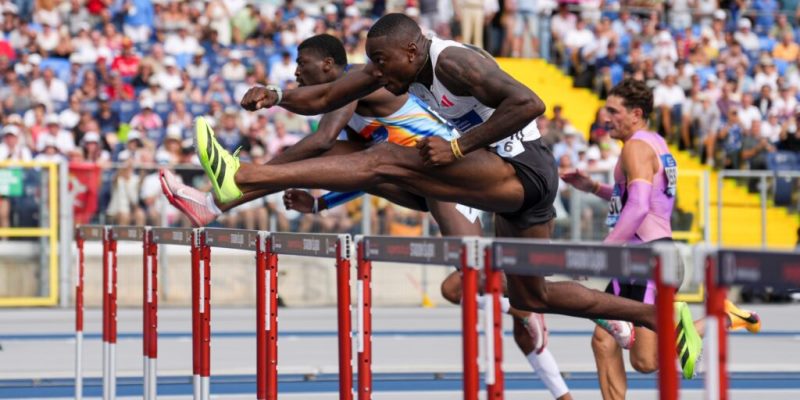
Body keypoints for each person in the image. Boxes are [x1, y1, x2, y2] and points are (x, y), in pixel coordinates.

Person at [200, 13, 700, 376]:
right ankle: (660, 314)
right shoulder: (388, 66)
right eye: (371, 63)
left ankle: (243, 178)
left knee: (387, 159)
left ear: (412, 52)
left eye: (382, 62)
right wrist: (276, 94)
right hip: (501, 176)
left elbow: (530, 102)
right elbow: (328, 96)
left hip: (523, 167)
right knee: (533, 294)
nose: (377, 73)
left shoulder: (454, 63)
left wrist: (461, 143)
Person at [161, 34, 571, 398]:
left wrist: (266, 141)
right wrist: (322, 203)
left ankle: (554, 312)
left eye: (302, 65)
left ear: (328, 66)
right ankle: (215, 200)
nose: (296, 73)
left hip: (450, 171)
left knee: (468, 281)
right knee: (356, 161)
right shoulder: (358, 99)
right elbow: (365, 173)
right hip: (416, 176)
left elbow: (321, 137)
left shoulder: (360, 81)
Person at [561, 79, 761, 398]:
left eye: (613, 111)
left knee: (645, 361)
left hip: (647, 259)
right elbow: (636, 197)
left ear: (636, 113)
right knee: (603, 340)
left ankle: (719, 317)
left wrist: (601, 253)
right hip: (634, 255)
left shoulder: (636, 148)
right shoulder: (654, 142)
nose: (605, 118)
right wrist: (593, 187)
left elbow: (639, 207)